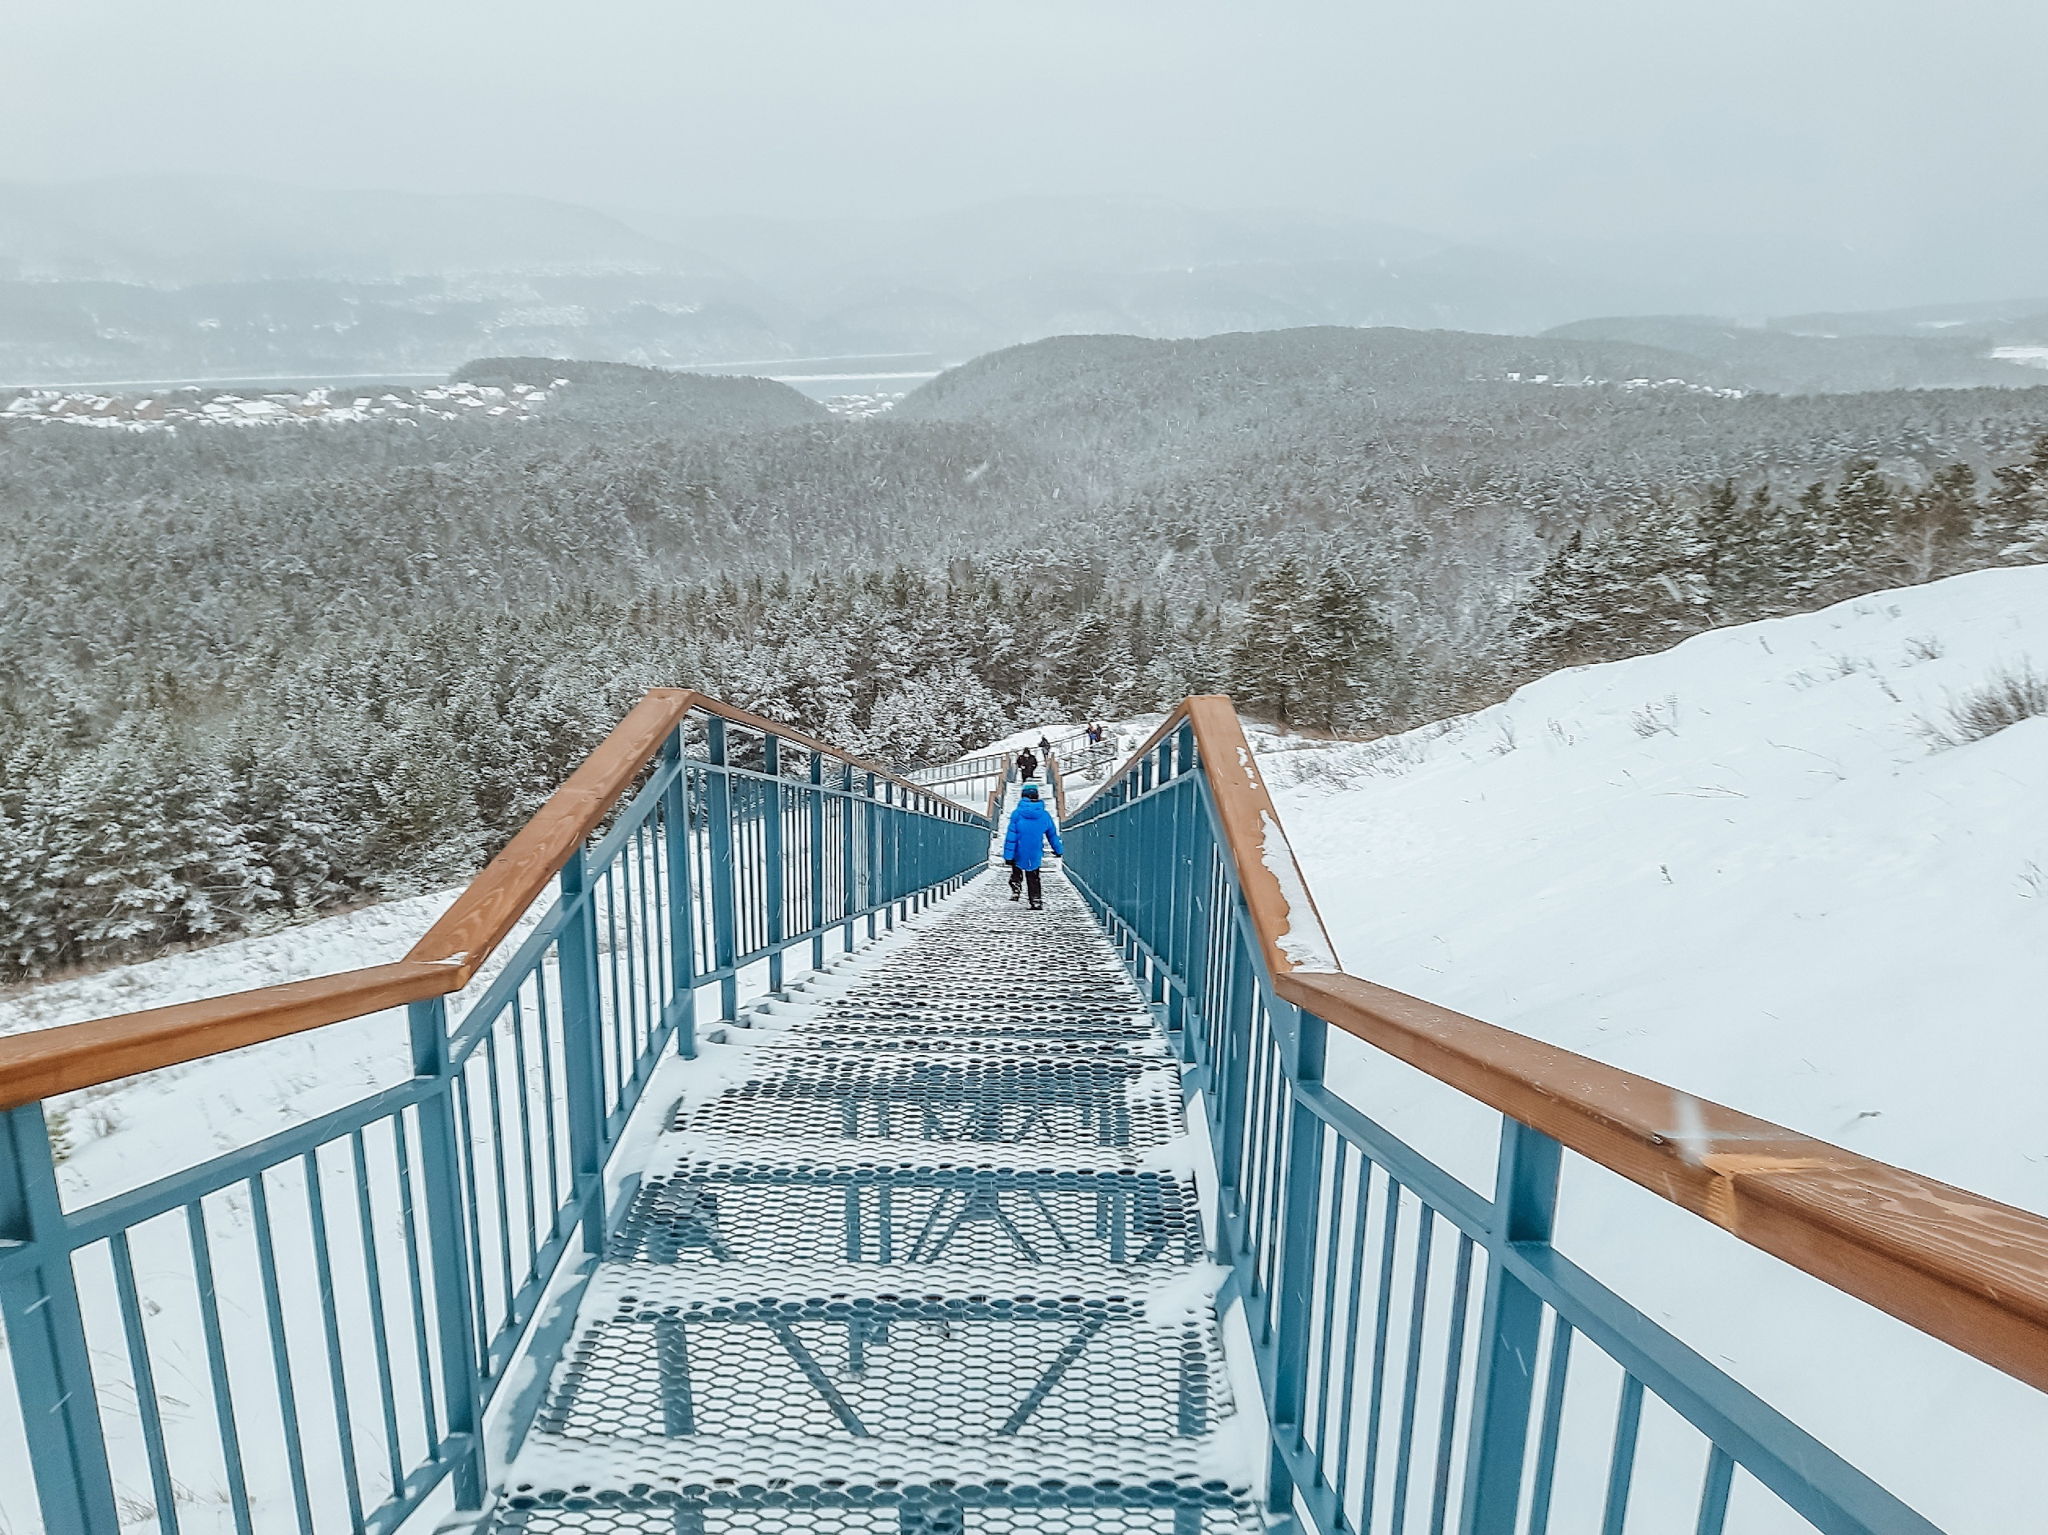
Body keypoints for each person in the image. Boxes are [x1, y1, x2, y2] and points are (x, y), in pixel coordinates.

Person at [1002, 783, 1062, 909]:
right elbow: (1052, 835)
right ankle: (1036, 899)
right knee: (1033, 875)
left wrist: (1008, 855)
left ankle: (1016, 884)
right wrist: (1058, 850)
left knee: (1016, 868)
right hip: (1034, 850)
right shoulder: (1044, 815)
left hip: (1018, 849)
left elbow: (1011, 836)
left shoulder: (1017, 814)